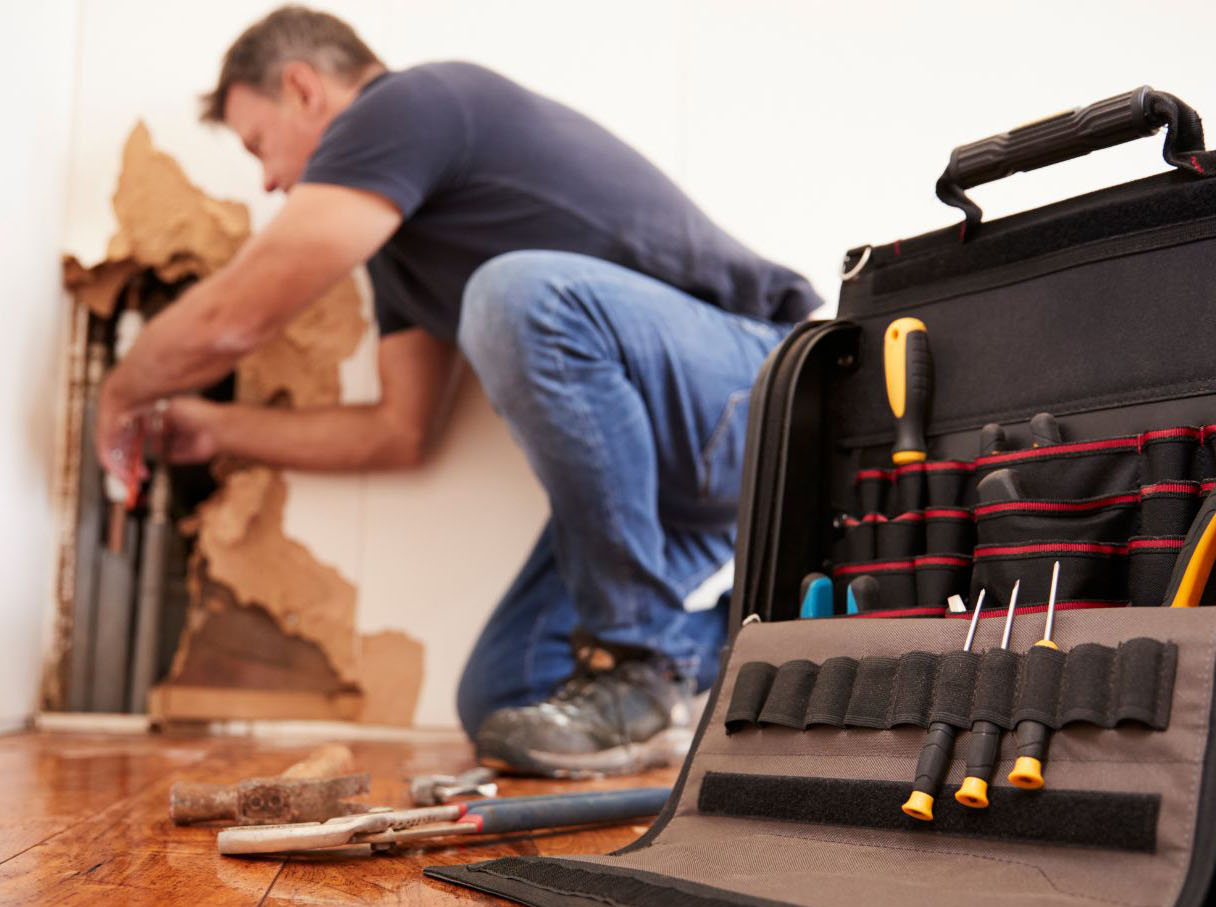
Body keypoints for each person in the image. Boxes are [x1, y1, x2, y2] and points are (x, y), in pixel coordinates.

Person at [97, 6, 820, 777]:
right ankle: (782, 652)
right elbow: (398, 431)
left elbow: (242, 315)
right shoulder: (398, 255)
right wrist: (214, 429)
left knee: (515, 294)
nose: (270, 181)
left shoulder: (410, 106)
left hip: (759, 393)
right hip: (665, 487)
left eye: (259, 146)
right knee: (507, 695)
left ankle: (639, 663)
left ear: (304, 88)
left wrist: (120, 391)